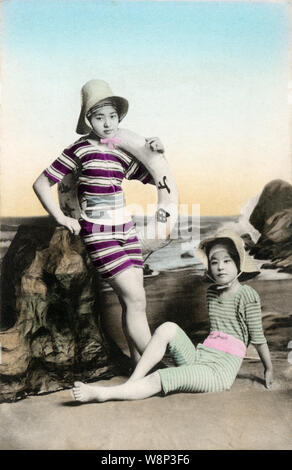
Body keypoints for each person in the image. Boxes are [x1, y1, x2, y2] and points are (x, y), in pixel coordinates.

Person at [33, 79, 166, 367]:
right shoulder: (79, 149)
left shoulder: (120, 149)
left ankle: (136, 364)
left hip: (126, 232)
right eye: (99, 116)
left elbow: (153, 177)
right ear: (88, 119)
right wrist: (62, 217)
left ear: (119, 118)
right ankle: (160, 364)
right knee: (136, 299)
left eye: (112, 116)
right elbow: (42, 183)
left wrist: (156, 150)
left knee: (131, 301)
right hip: (100, 234)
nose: (107, 123)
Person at [71, 229, 273, 403]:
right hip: (199, 358)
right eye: (214, 262)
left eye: (227, 261)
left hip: (217, 373)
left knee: (162, 376)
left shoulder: (248, 295)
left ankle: (102, 394)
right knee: (167, 327)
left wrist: (268, 369)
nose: (220, 267)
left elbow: (258, 337)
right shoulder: (211, 293)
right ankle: (133, 382)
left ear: (239, 265)